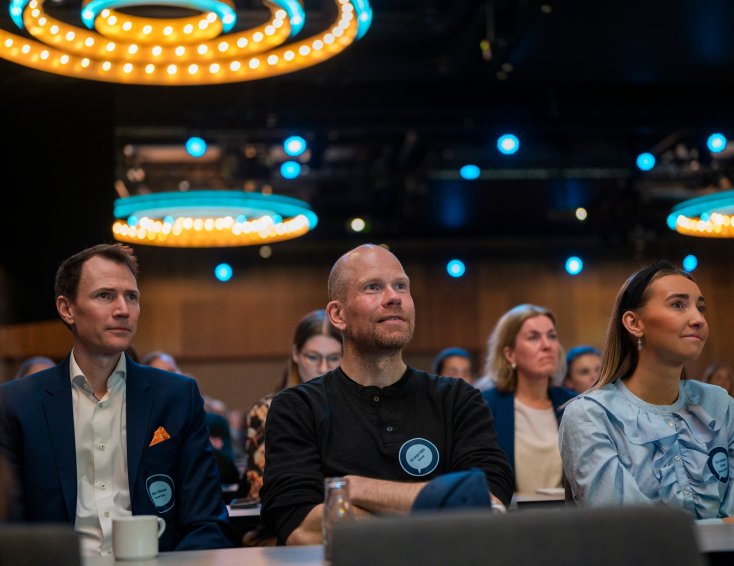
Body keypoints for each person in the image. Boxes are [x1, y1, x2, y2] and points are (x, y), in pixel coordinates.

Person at [260, 244, 513, 545]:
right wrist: (443, 507)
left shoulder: (458, 399)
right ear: (338, 314)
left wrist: (354, 488)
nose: (394, 297)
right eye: (373, 287)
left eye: (401, 286)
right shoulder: (296, 408)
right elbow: (300, 528)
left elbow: (488, 504)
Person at [0, 243, 232, 556]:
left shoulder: (177, 397)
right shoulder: (17, 404)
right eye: (105, 295)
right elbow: (10, 530)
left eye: (131, 297)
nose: (123, 309)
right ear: (67, 309)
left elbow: (207, 524)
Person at [559, 260, 734, 521]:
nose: (698, 319)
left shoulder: (720, 404)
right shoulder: (590, 415)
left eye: (700, 308)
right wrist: (720, 525)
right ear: (634, 323)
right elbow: (628, 526)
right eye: (678, 305)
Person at [237, 308, 343, 502]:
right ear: (296, 354)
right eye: (313, 357)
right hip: (285, 513)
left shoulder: (354, 408)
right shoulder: (266, 411)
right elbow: (260, 494)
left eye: (334, 358)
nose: (323, 368)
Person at [480, 304, 577, 494]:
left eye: (552, 336)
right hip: (507, 512)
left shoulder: (574, 404)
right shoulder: (485, 406)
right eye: (533, 337)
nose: (547, 345)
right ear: (510, 354)